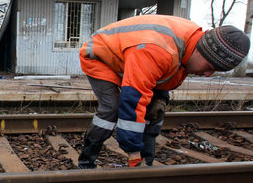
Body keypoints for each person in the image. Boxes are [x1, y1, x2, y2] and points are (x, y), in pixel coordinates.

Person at [78, 14, 250, 169]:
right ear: (200, 50)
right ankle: (86, 161)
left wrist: (161, 97)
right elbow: (133, 99)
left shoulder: (187, 45)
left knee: (154, 109)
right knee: (113, 108)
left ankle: (148, 163)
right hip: (100, 56)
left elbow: (160, 77)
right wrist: (132, 154)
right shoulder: (158, 50)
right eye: (210, 67)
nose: (207, 74)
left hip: (135, 57)